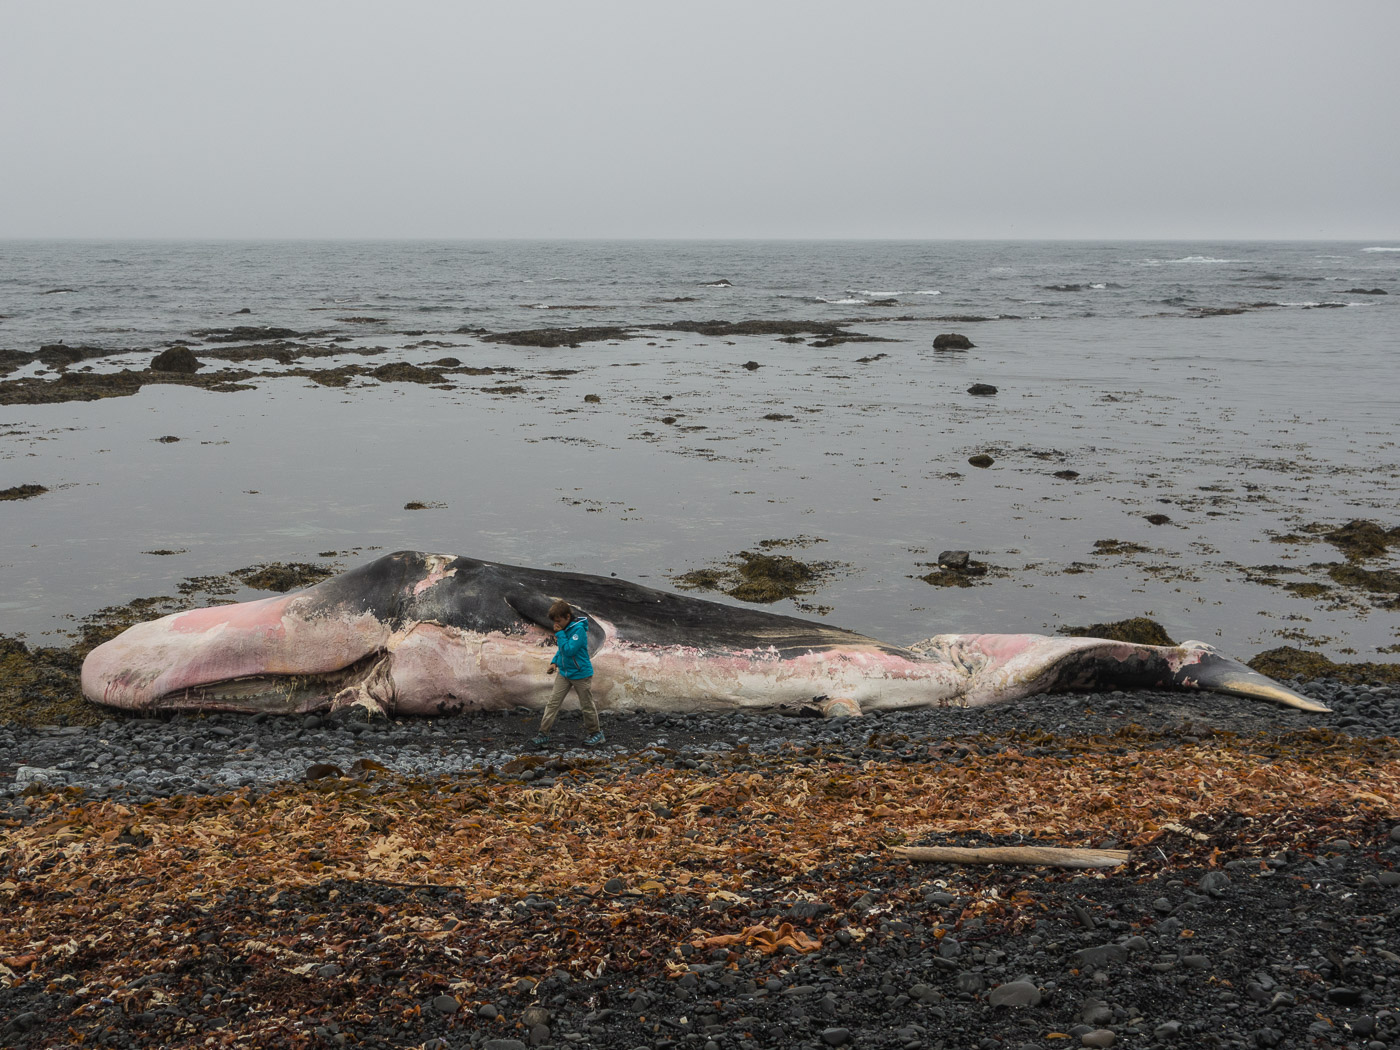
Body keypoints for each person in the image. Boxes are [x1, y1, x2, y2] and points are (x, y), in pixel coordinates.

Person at [532, 599, 605, 748]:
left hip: (580, 674)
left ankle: (596, 733)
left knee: (586, 705)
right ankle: (543, 734)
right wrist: (554, 662)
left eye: (559, 621)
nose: (556, 624)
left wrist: (559, 634)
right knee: (553, 703)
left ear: (567, 616)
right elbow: (561, 651)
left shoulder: (578, 631)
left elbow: (569, 650)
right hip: (565, 673)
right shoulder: (565, 629)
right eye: (555, 622)